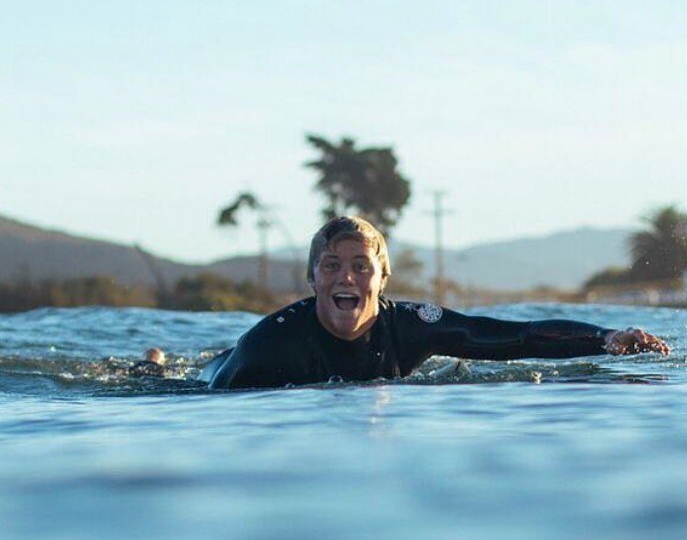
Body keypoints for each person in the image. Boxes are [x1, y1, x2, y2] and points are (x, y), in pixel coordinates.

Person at [203, 216, 670, 390]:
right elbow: (213, 398)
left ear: (382, 278)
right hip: (216, 368)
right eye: (330, 265)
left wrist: (604, 339)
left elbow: (511, 336)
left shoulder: (409, 325)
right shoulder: (270, 345)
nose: (346, 276)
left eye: (361, 266)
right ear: (312, 278)